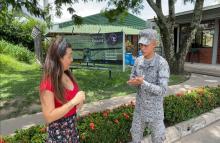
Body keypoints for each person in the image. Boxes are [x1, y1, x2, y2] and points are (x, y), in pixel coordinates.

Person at [39, 36, 85, 143]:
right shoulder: (48, 83)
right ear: (59, 58)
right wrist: (73, 102)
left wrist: (79, 101)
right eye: (69, 56)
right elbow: (48, 116)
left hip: (72, 133)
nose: (72, 60)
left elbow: (73, 103)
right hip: (58, 137)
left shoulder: (67, 74)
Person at [127, 29, 170, 143]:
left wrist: (143, 83)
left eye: (146, 45)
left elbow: (163, 90)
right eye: (141, 45)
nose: (143, 48)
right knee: (135, 136)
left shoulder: (161, 63)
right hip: (139, 110)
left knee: (158, 139)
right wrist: (133, 82)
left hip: (155, 112)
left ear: (154, 44)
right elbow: (132, 77)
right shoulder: (138, 61)